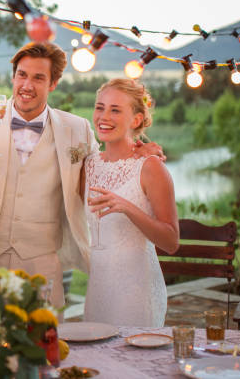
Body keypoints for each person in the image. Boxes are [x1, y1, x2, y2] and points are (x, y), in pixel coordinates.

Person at [0, 42, 164, 309]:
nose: (27, 85)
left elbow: (101, 167)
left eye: (38, 78)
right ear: (13, 77)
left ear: (53, 83)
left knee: (44, 343)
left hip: (42, 259)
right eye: (22, 75)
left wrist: (137, 149)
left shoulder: (77, 129)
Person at [82, 78, 179, 327]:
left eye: (115, 110)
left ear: (136, 120)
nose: (104, 116)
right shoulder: (88, 164)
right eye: (100, 107)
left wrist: (127, 207)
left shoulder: (150, 167)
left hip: (136, 291)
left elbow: (171, 241)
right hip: (98, 287)